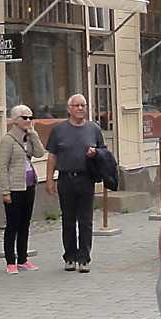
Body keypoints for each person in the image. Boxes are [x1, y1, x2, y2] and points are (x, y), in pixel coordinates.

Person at [45, 94, 106, 273]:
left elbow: (104, 153)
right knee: (68, 219)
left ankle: (84, 258)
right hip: (66, 179)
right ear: (69, 109)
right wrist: (49, 179)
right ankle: (70, 256)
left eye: (83, 105)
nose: (80, 108)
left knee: (86, 220)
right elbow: (52, 156)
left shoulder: (93, 129)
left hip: (86, 179)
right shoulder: (59, 129)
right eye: (76, 105)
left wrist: (95, 154)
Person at [0, 105, 46, 274]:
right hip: (14, 186)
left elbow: (40, 153)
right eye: (25, 118)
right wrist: (5, 191)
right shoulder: (8, 140)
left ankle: (23, 258)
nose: (28, 121)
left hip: (29, 184)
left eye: (30, 118)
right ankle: (10, 260)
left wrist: (33, 133)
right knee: (13, 224)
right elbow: (3, 166)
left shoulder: (28, 137)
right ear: (16, 120)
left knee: (25, 223)